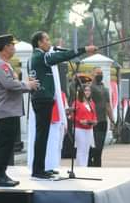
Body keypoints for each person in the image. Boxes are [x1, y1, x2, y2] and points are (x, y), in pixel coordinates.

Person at [29, 31, 96, 179]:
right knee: (41, 136)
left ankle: (41, 168)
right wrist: (84, 49)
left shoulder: (37, 57)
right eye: (46, 39)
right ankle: (37, 170)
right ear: (39, 43)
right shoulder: (41, 56)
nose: (49, 42)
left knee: (43, 136)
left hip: (41, 99)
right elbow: (60, 57)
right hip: (42, 99)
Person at [0, 34, 39, 187]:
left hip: (10, 110)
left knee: (7, 144)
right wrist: (28, 85)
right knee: (5, 144)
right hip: (7, 111)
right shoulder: (0, 64)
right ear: (5, 47)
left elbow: (13, 84)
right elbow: (10, 85)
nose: (14, 48)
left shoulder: (5, 63)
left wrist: (26, 85)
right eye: (12, 45)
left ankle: (2, 174)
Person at [89, 68, 115, 167]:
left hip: (103, 120)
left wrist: (112, 120)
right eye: (97, 73)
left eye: (101, 73)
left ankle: (98, 165)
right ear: (92, 74)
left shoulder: (105, 89)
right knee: (93, 146)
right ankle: (90, 164)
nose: (100, 75)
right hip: (94, 121)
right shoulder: (90, 88)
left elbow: (108, 105)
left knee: (99, 147)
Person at [73, 84, 97, 167]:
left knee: (87, 149)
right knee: (81, 149)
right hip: (80, 128)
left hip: (89, 128)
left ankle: (84, 166)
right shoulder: (77, 103)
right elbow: (72, 115)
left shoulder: (92, 103)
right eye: (86, 90)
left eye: (89, 90)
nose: (87, 92)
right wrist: (80, 120)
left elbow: (94, 114)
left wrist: (94, 121)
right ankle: (80, 166)